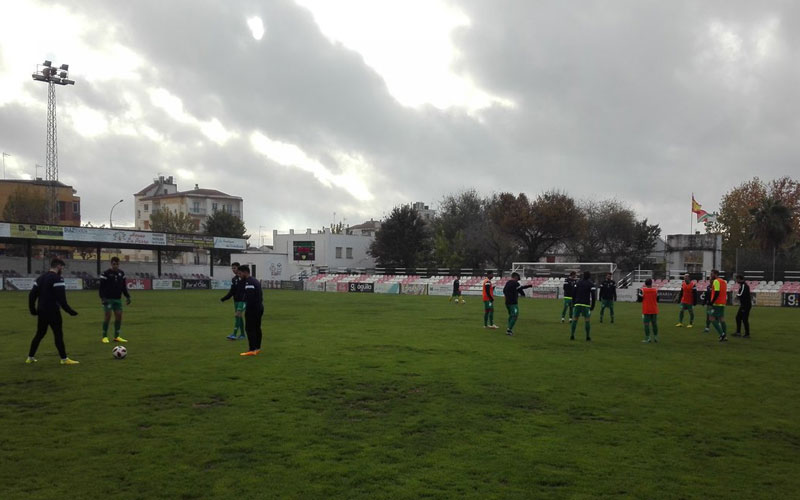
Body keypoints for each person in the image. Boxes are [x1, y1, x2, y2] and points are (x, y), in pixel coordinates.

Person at [26, 258, 80, 365]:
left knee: (39, 334)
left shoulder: (41, 278)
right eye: (62, 267)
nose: (62, 269)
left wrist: (33, 309)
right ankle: (64, 359)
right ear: (58, 266)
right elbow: (62, 299)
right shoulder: (57, 279)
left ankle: (30, 357)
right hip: (53, 311)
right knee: (58, 334)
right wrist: (70, 311)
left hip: (42, 311)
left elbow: (32, 295)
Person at [98, 256, 131, 343]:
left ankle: (117, 336)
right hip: (108, 299)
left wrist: (127, 296)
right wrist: (103, 298)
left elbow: (123, 287)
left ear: (119, 264)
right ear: (111, 264)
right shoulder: (105, 273)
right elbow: (101, 288)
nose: (115, 266)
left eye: (117, 264)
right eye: (113, 264)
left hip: (117, 299)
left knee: (119, 317)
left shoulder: (121, 273)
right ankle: (104, 336)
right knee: (108, 316)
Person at [238, 265, 264, 356]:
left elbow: (250, 297)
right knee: (257, 327)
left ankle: (252, 349)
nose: (239, 275)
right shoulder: (254, 280)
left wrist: (241, 309)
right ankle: (257, 348)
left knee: (249, 328)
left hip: (253, 309)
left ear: (245, 272)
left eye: (240, 273)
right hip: (259, 307)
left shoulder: (249, 282)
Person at [220, 261, 246, 340]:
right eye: (232, 268)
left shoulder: (244, 278)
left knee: (237, 315)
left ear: (238, 268)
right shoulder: (234, 279)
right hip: (236, 301)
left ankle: (234, 334)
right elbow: (232, 291)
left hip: (243, 300)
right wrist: (224, 298)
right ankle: (242, 335)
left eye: (234, 268)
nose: (233, 270)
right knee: (239, 317)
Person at [570, 271, 596, 341]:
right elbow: (593, 296)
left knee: (575, 319)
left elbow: (573, 293)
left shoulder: (578, 283)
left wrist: (573, 303)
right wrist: (593, 305)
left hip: (577, 303)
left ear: (583, 276)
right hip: (586, 304)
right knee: (587, 320)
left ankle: (572, 335)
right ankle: (587, 337)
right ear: (589, 276)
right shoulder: (591, 284)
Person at [708, 269, 728, 342]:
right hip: (722, 303)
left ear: (715, 274)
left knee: (711, 318)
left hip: (716, 303)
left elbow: (717, 292)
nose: (711, 275)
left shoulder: (716, 281)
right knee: (721, 318)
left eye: (711, 274)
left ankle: (722, 334)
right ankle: (725, 336)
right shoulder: (723, 281)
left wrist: (712, 302)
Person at [638, 278, 659, 343]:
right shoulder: (655, 290)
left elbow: (639, 300)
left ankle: (648, 338)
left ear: (645, 283)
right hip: (654, 309)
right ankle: (656, 337)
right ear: (651, 283)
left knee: (646, 324)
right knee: (654, 324)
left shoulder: (642, 290)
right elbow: (658, 299)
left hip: (646, 310)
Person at [733, 274, 751, 338]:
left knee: (744, 319)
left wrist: (737, 296)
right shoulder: (742, 285)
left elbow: (741, 293)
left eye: (737, 279)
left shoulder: (744, 285)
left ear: (740, 279)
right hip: (744, 305)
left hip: (746, 305)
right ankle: (738, 332)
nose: (737, 280)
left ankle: (747, 334)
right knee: (738, 317)